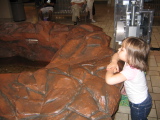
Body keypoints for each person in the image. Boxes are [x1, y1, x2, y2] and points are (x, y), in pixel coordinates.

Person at [105, 37, 152, 120]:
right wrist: (114, 62)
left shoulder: (131, 71)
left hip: (139, 105)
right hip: (141, 100)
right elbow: (116, 55)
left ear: (130, 56)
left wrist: (110, 68)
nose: (119, 49)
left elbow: (109, 80)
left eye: (122, 49)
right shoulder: (133, 61)